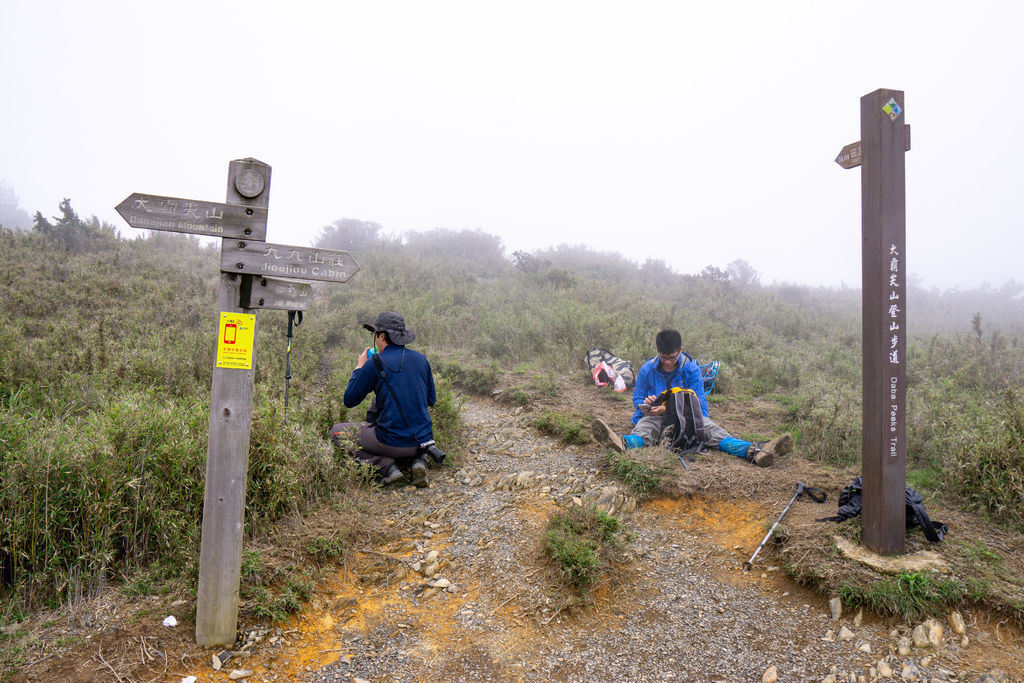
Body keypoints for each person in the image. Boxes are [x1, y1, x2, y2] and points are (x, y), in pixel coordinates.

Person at [592, 329, 791, 467]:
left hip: (686, 418)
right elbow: (637, 398)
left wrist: (700, 422)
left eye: (672, 357)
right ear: (657, 351)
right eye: (663, 357)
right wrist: (645, 407)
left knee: (713, 433)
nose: (668, 362)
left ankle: (756, 452)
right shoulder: (647, 369)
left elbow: (698, 402)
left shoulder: (691, 369)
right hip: (655, 417)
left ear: (680, 350)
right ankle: (621, 443)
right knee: (647, 429)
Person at [330, 311, 444, 487]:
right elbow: (431, 400)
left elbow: (349, 400)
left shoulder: (374, 363)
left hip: (390, 442)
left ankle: (386, 467)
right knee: (408, 426)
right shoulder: (422, 360)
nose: (374, 339)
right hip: (421, 441)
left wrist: (359, 367)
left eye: (374, 335)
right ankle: (417, 461)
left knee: (337, 432)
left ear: (382, 336)